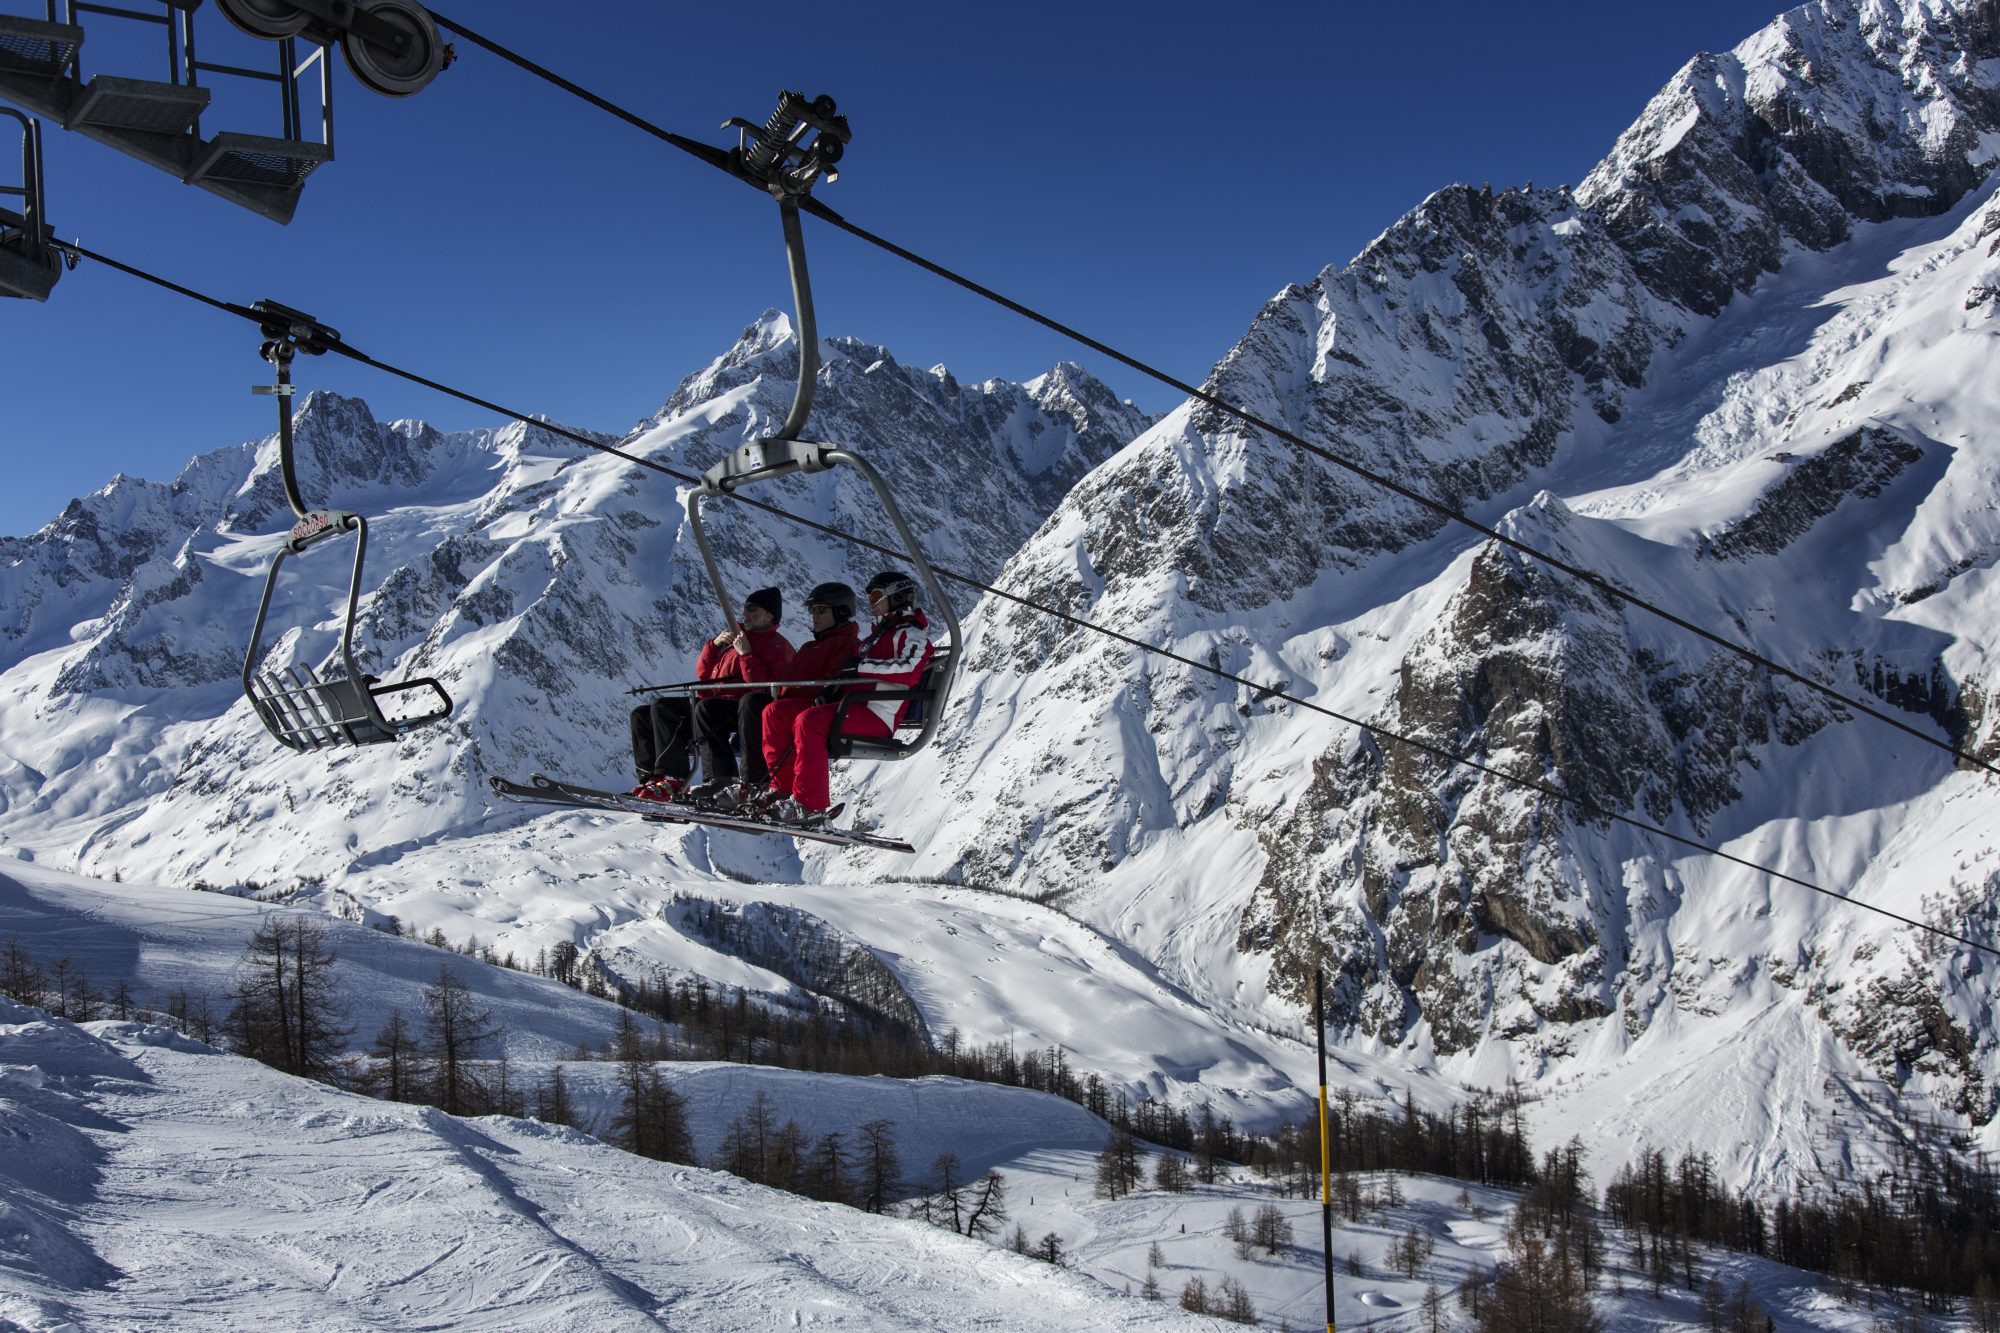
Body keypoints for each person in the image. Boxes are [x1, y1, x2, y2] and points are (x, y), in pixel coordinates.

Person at [762, 570, 934, 826]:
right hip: (850, 706)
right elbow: (852, 672)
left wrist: (862, 667)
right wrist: (830, 691)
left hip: (877, 715)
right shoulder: (873, 638)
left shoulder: (911, 634)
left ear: (897, 597)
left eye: (876, 597)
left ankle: (810, 806)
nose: (871, 604)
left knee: (810, 721)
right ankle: (783, 790)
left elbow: (909, 670)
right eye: (869, 598)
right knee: (775, 713)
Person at [690, 581, 860, 812]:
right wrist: (713, 646)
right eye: (812, 611)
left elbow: (774, 684)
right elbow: (785, 684)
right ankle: (726, 781)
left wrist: (748, 657)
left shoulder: (842, 646)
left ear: (840, 612)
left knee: (755, 704)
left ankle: (754, 783)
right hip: (784, 704)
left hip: (809, 709)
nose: (814, 617)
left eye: (821, 610)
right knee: (709, 708)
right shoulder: (811, 646)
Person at [627, 586, 793, 802]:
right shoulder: (738, 639)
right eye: (745, 608)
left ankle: (696, 777)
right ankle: (652, 778)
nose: (745, 613)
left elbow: (766, 689)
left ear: (769, 615)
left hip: (743, 707)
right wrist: (713, 647)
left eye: (752, 608)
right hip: (719, 701)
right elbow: (707, 677)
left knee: (705, 708)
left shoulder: (777, 646)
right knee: (645, 713)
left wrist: (747, 656)